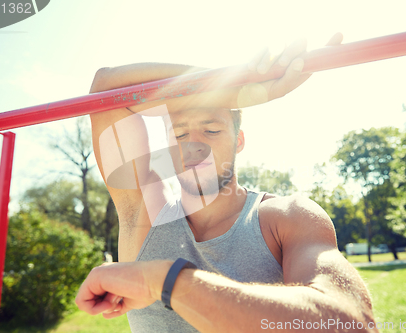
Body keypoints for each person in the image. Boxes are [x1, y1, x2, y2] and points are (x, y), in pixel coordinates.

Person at [75, 34, 379, 332]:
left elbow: (351, 325)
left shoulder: (286, 217)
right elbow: (105, 87)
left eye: (211, 130)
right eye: (179, 134)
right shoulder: (143, 215)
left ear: (239, 140)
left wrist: (164, 281)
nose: (194, 145)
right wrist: (238, 89)